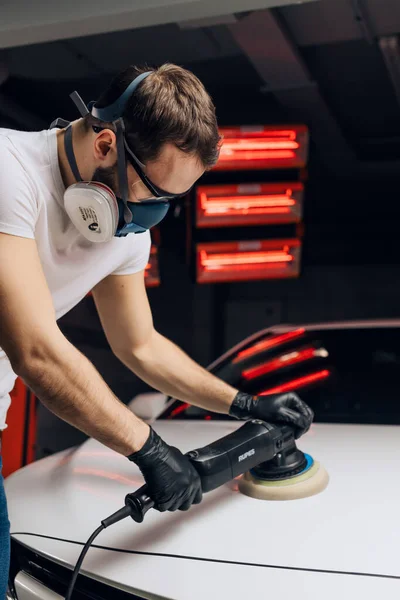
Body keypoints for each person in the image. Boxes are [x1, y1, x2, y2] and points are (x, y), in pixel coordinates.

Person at [0, 63, 314, 597]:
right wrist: (149, 449)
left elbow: (140, 345)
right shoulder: (9, 171)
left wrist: (242, 403)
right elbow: (36, 351)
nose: (148, 218)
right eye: (151, 194)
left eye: (169, 203)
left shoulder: (124, 229)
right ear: (105, 143)